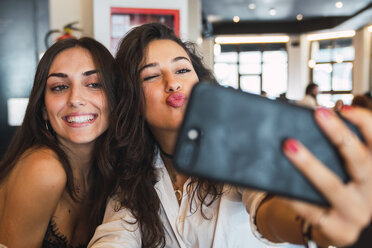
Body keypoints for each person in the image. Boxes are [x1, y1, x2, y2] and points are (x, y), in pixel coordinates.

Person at [89, 23, 372, 248]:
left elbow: (268, 208)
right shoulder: (133, 171)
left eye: (182, 69)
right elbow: (116, 236)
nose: (173, 82)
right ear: (133, 101)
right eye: (151, 76)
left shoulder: (240, 142)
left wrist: (313, 228)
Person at [0, 37, 119, 247]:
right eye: (60, 87)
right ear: (44, 109)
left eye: (93, 84)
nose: (75, 99)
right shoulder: (44, 168)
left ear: (115, 98)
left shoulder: (113, 170)